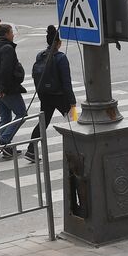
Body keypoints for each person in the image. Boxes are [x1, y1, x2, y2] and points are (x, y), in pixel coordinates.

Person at [25, 26, 76, 161]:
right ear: (59, 43)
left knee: (43, 123)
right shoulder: (61, 58)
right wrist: (72, 101)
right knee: (74, 120)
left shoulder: (40, 55)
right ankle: (77, 147)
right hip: (60, 96)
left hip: (45, 95)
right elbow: (66, 82)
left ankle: (30, 150)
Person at [0, 23, 28, 158]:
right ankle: (3, 140)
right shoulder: (7, 48)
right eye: (11, 32)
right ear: (6, 34)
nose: (13, 35)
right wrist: (3, 89)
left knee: (5, 116)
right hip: (5, 88)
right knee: (22, 114)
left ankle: (6, 149)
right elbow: (5, 70)